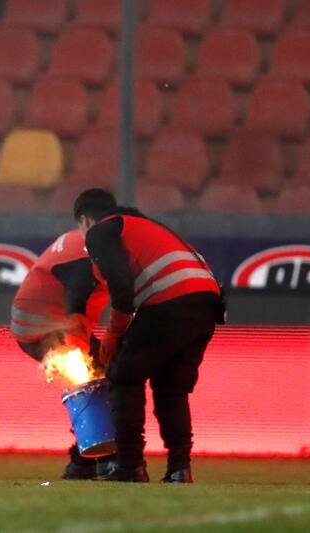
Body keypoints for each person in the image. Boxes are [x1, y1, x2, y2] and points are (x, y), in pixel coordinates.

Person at [73, 189, 225, 483]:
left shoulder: (101, 231)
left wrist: (113, 334)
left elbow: (121, 287)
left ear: (84, 220)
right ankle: (179, 468)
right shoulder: (145, 225)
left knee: (124, 376)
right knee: (171, 390)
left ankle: (130, 466)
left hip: (169, 302)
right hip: (207, 303)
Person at [10, 228, 111, 479]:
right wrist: (76, 346)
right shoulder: (87, 256)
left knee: (103, 381)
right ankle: (96, 460)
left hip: (42, 329)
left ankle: (88, 461)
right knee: (96, 384)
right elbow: (76, 298)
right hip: (54, 332)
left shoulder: (78, 243)